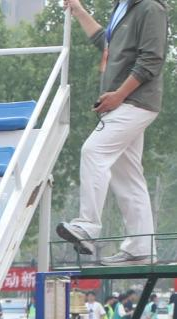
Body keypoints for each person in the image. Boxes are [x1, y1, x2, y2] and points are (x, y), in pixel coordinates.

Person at [57, 0, 167, 264]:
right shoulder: (123, 8)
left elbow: (151, 59)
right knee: (127, 176)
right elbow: (105, 44)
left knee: (93, 151)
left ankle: (87, 227)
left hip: (134, 102)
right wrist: (79, 11)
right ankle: (141, 248)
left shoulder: (151, 7)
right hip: (125, 103)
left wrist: (118, 95)